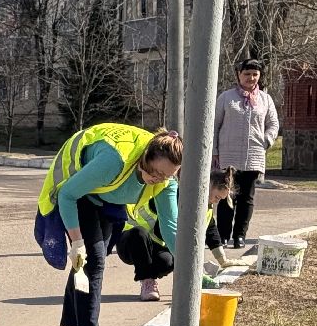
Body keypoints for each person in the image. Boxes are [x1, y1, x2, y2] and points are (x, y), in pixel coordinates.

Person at [34, 124, 182, 326]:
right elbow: (68, 194)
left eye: (166, 176)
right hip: (79, 192)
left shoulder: (166, 182)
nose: (158, 179)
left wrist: (189, 269)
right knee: (92, 262)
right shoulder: (115, 160)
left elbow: (170, 226)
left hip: (105, 198)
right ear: (146, 156)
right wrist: (76, 241)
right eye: (156, 172)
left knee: (86, 262)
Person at [115, 168, 237, 301]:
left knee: (169, 261)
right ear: (208, 185)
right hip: (130, 240)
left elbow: (212, 233)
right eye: (217, 197)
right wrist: (192, 270)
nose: (216, 201)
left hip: (157, 244)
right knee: (140, 234)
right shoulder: (178, 196)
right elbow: (164, 229)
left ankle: (150, 274)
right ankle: (147, 281)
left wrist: (223, 260)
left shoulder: (206, 208)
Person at [213, 58, 281, 249]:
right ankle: (223, 235)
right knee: (227, 195)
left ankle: (240, 235)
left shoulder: (265, 99)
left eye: (254, 74)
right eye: (247, 74)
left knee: (247, 198)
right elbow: (215, 125)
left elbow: (273, 124)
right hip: (228, 156)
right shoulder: (226, 97)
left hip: (254, 156)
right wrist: (215, 151)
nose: (251, 78)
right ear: (239, 75)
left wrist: (266, 140)